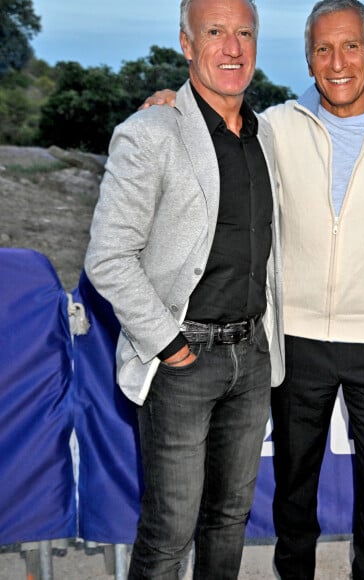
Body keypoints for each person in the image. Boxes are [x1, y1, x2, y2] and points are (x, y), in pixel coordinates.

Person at [143, 1, 364, 577]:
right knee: (293, 496)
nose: (338, 62)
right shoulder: (275, 127)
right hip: (294, 341)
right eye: (323, 49)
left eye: (350, 47)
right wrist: (169, 104)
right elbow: (215, 119)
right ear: (309, 60)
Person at [84, 0, 284, 578]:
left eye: (244, 33)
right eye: (215, 32)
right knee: (169, 532)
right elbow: (108, 256)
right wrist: (169, 345)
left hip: (252, 358)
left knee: (229, 520)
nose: (232, 47)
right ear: (187, 44)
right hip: (181, 362)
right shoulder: (150, 133)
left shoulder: (267, 135)